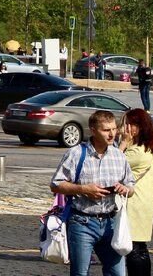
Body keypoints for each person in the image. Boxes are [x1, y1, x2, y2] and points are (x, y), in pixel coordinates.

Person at [50, 109, 136, 276]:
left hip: (110, 222)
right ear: (93, 130)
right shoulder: (76, 153)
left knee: (117, 272)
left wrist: (125, 189)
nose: (112, 134)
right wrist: (83, 189)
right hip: (82, 221)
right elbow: (56, 184)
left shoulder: (119, 155)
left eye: (114, 129)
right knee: (80, 272)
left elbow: (131, 186)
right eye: (106, 130)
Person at [119, 109, 153, 276]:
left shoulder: (140, 151)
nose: (125, 128)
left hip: (135, 205)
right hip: (138, 203)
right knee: (136, 246)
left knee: (135, 248)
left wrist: (122, 143)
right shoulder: (139, 146)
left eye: (129, 124)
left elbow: (113, 163)